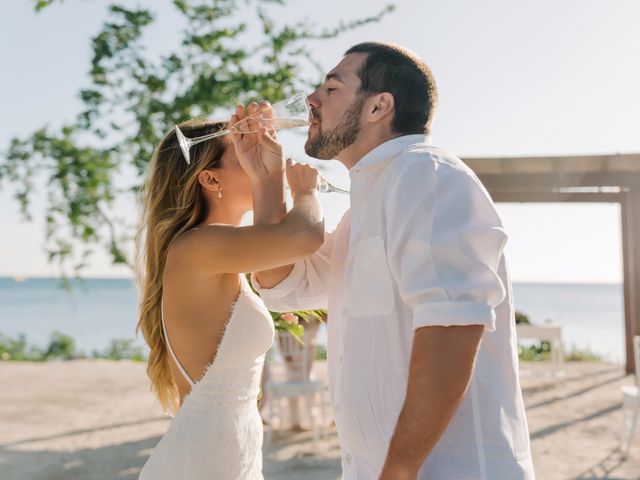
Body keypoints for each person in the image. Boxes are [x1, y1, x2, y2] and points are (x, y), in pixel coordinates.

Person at [251, 42, 536, 479]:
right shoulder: (362, 210)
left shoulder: (425, 174)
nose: (310, 100)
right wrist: (267, 180)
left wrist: (398, 471)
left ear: (378, 106)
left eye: (330, 88)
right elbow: (280, 286)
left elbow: (452, 328)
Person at [136, 110, 324, 479]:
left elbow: (273, 244)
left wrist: (268, 175)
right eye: (241, 153)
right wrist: (307, 191)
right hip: (205, 460)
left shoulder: (218, 247)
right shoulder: (198, 246)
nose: (252, 157)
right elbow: (303, 237)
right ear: (210, 178)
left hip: (224, 451)